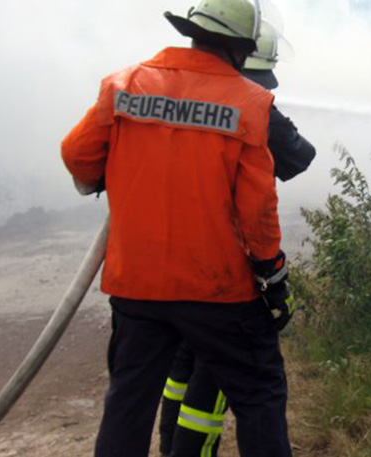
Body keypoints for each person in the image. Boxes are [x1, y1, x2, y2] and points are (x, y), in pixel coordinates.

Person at [60, 1, 296, 455]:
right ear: (242, 49)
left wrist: (123, 173)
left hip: (137, 287)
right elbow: (258, 210)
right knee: (259, 392)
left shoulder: (123, 85)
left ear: (194, 33)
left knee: (128, 401)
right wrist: (271, 274)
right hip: (218, 290)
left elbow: (77, 155)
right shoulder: (250, 103)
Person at [158, 24, 315, 457]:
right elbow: (297, 159)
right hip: (223, 276)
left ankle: (171, 447)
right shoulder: (248, 104)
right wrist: (272, 275)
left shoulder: (173, 95)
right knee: (245, 378)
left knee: (182, 365)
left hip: (171, 268)